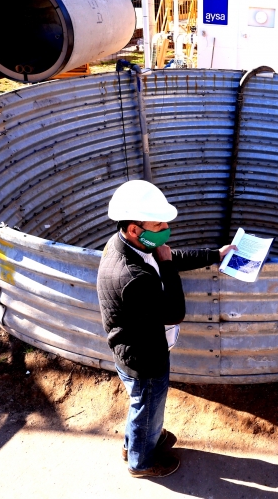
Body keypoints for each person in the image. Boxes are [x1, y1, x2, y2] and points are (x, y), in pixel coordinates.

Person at [97, 180, 235, 478]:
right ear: (134, 229)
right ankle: (141, 463)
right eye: (158, 225)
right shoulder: (132, 275)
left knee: (143, 405)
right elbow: (175, 312)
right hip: (144, 357)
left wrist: (215, 254)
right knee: (148, 407)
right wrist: (169, 266)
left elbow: (166, 258)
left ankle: (134, 444)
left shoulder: (126, 244)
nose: (165, 230)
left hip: (134, 347)